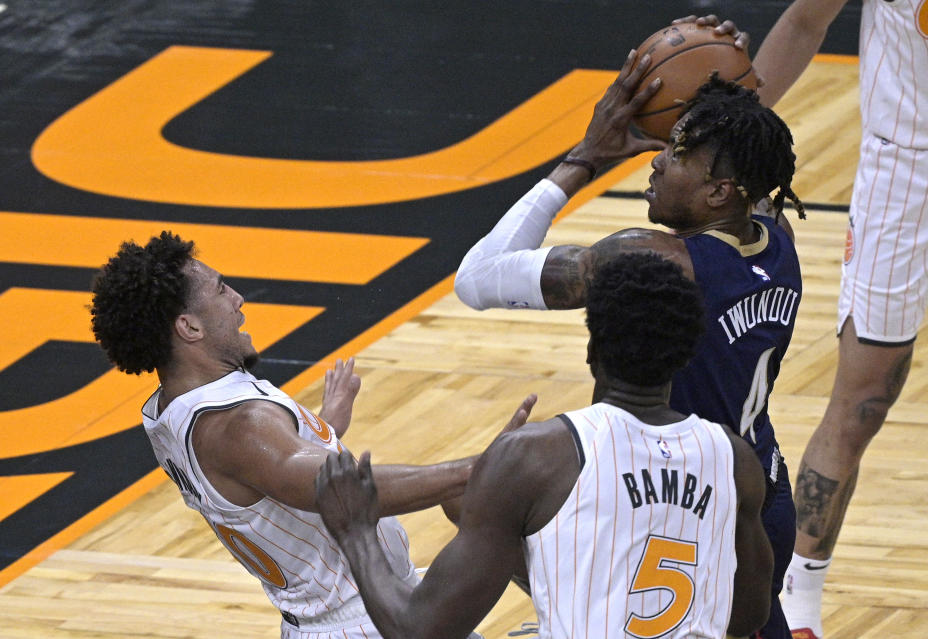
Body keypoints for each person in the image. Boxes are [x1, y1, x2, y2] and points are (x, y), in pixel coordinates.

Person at [454, 48, 804, 639]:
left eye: (679, 153)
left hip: (675, 504)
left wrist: (585, 158)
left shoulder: (655, 260)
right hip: (759, 490)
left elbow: (477, 277)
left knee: (471, 504)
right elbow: (748, 143)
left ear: (719, 192)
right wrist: (722, 80)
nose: (659, 161)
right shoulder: (774, 232)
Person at [89, 232, 535, 639]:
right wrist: (477, 470)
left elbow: (264, 483)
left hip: (335, 617)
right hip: (363, 622)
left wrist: (324, 425)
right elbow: (339, 492)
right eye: (222, 290)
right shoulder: (239, 426)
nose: (238, 300)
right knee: (496, 506)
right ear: (189, 327)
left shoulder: (169, 409)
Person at [316, 251, 774, 639]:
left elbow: (420, 628)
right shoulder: (732, 460)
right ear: (686, 354)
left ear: (593, 350)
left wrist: (356, 530)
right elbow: (749, 613)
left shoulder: (537, 458)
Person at [748, 2, 928, 638]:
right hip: (913, 161)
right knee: (865, 396)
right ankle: (799, 595)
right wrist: (734, 133)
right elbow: (806, 22)